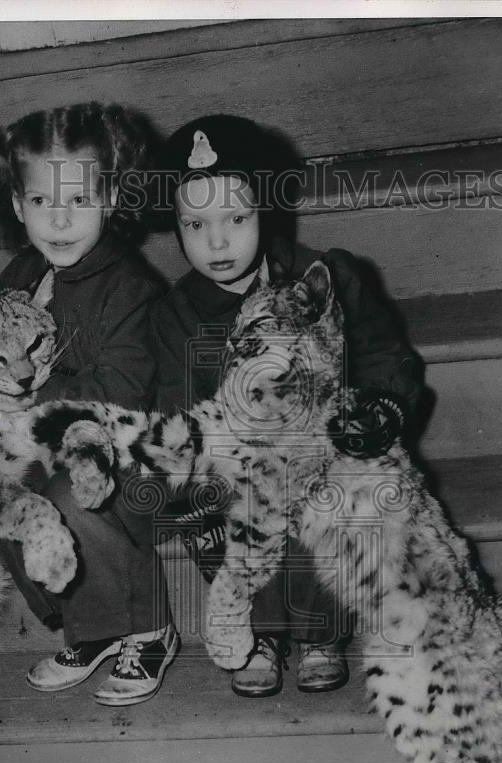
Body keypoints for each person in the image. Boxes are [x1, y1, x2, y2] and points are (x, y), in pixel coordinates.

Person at [147, 114, 424, 698]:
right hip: (240, 466)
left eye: (237, 218)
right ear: (174, 227)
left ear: (265, 215)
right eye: (194, 223)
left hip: (323, 447)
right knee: (236, 498)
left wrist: (376, 413)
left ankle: (323, 630)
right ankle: (262, 632)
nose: (216, 242)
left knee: (328, 484)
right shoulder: (175, 313)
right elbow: (179, 404)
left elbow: (383, 357)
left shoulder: (325, 279)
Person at [0, 102, 178, 707]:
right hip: (41, 435)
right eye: (41, 203)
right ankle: (92, 627)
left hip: (132, 448)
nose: (59, 221)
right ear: (17, 206)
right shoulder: (22, 272)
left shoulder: (132, 288)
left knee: (65, 498)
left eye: (79, 201)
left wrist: (22, 402)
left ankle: (144, 625)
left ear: (110, 199)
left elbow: (121, 392)